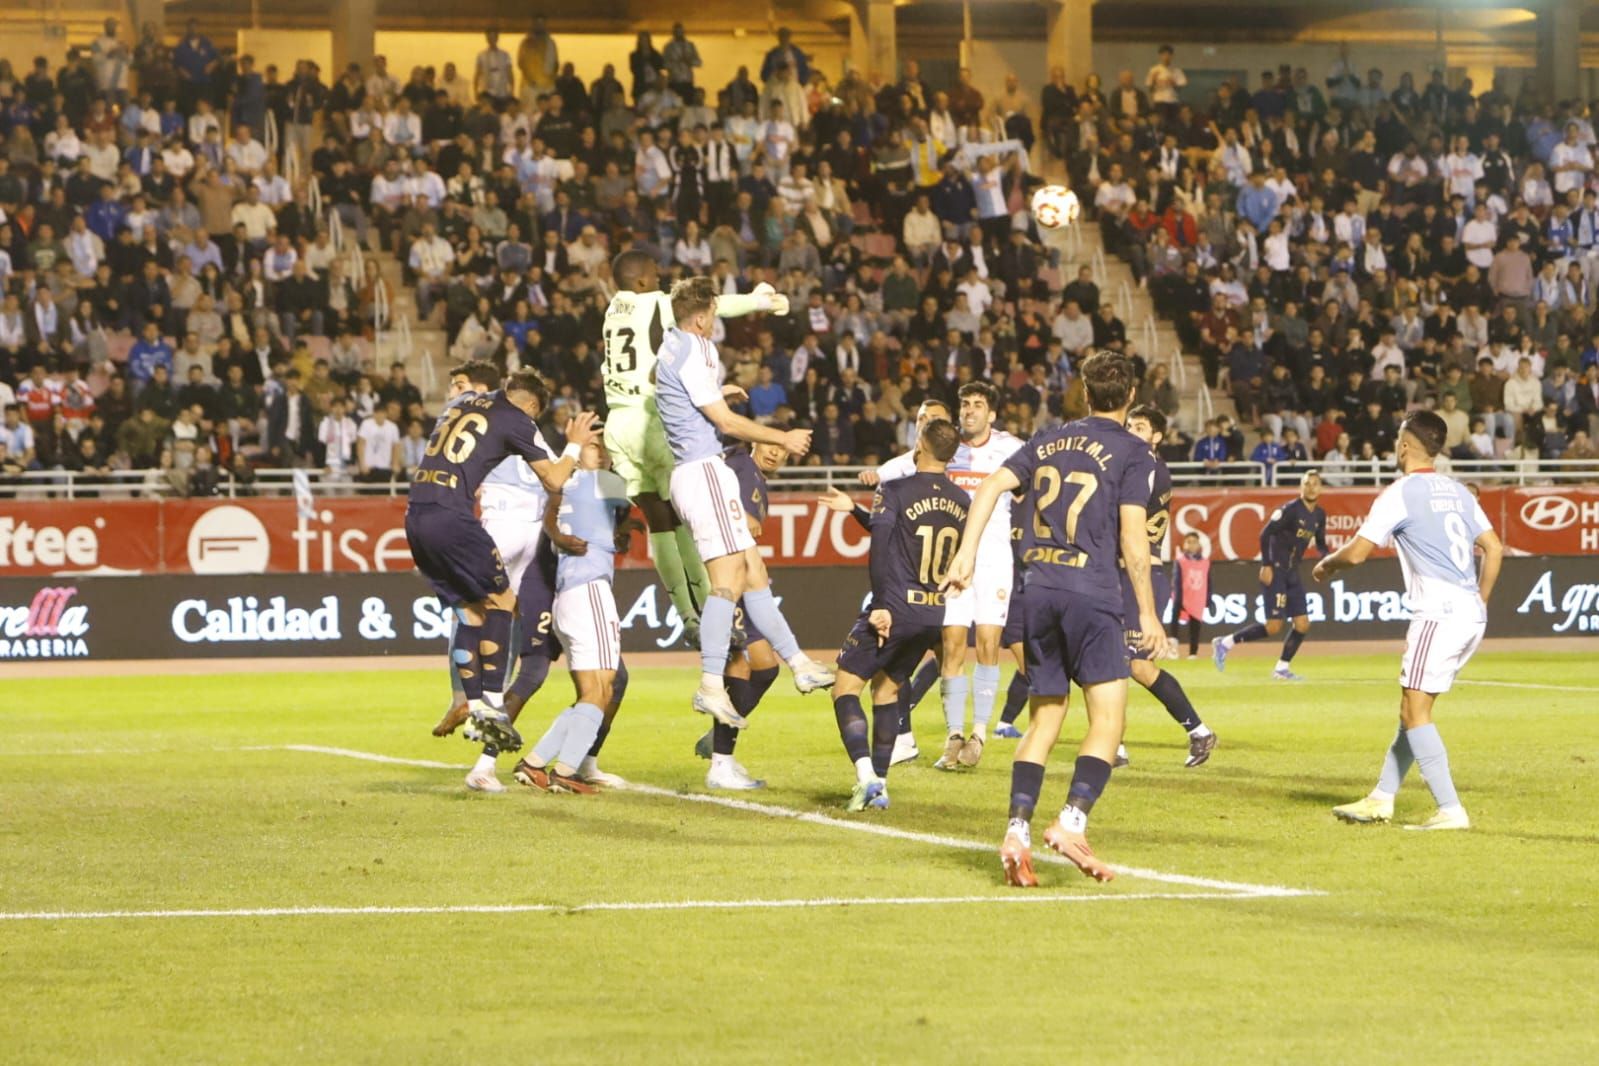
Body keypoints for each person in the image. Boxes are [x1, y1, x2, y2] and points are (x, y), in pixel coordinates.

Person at [945, 350, 1162, 886]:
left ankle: (1016, 830)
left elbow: (992, 486)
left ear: (1084, 394)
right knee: (1109, 720)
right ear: (1130, 396)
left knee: (1045, 717)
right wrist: (1150, 613)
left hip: (1037, 589)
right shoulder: (1135, 453)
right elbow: (1134, 541)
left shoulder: (1046, 439)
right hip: (1091, 592)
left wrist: (966, 553)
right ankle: (1071, 822)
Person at [653, 276, 834, 725]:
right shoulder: (693, 350)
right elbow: (727, 425)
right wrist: (783, 436)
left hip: (698, 470)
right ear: (700, 317)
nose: (716, 320)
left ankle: (799, 663)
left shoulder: (672, 345)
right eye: (713, 313)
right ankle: (711, 684)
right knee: (728, 580)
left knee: (755, 572)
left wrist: (719, 393)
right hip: (702, 471)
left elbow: (683, 398)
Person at [1315, 411, 1503, 831]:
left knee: (1414, 710)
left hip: (1438, 613)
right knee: (1413, 710)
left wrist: (1326, 565)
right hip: (1469, 614)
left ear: (1404, 445)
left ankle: (1450, 809)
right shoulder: (1458, 491)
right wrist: (1480, 601)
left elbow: (1358, 553)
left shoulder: (1400, 493)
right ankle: (1382, 797)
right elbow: (1494, 547)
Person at [403, 367, 597, 752]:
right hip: (461, 516)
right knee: (504, 604)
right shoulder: (515, 417)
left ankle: (472, 702)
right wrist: (573, 444)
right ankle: (491, 704)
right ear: (530, 404)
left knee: (469, 612)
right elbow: (556, 480)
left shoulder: (458, 405)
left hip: (416, 515)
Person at [600, 250, 789, 646]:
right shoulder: (654, 302)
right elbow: (710, 306)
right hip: (652, 420)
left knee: (658, 521)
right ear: (640, 281)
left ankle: (687, 617)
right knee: (685, 517)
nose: (659, 278)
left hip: (617, 423)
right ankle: (711, 613)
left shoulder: (613, 310)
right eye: (654, 273)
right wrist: (761, 300)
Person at [829, 417, 967, 811]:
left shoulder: (896, 488)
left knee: (845, 688)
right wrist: (853, 509)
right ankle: (881, 785)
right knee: (887, 692)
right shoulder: (962, 501)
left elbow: (881, 545)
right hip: (932, 613)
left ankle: (866, 776)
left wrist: (881, 606)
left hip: (896, 605)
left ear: (919, 445)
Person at [512, 435, 635, 795]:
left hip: (566, 596)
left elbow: (554, 518)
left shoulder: (564, 489)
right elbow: (634, 493)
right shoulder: (601, 481)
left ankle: (534, 763)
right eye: (596, 445)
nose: (602, 449)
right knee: (602, 689)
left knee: (590, 692)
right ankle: (566, 772)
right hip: (590, 590)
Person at [1121, 405, 1218, 767]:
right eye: (1129, 424)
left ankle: (1198, 731)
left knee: (1132, 666)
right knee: (1119, 664)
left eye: (1141, 427)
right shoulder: (1142, 466)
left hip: (1139, 576)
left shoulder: (1145, 468)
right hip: (1124, 575)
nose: (1131, 430)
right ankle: (1117, 746)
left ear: (1157, 437)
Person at [694, 441, 793, 790]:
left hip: (741, 576)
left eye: (781, 450)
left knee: (767, 668)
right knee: (739, 663)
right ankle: (721, 764)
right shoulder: (738, 463)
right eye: (769, 444)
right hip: (725, 575)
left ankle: (720, 740)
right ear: (754, 441)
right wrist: (741, 518)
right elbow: (716, 494)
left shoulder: (756, 477)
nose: (774, 453)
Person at [1212, 469, 1328, 680]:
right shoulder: (1291, 510)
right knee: (1274, 626)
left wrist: (1329, 558)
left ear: (1321, 488)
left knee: (1302, 624)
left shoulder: (1319, 515)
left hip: (1293, 572)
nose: (1311, 487)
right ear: (1301, 487)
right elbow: (1265, 533)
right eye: (1307, 483)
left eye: (1315, 483)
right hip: (1276, 570)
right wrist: (1267, 564)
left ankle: (1281, 669)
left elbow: (1320, 543)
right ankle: (1225, 643)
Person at [1175, 531, 1210, 659]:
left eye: (1194, 542)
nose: (1191, 545)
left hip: (1197, 599)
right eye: (1188, 542)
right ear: (1184, 544)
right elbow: (1176, 580)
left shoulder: (1205, 562)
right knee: (1174, 623)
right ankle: (1173, 649)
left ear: (1199, 544)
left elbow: (1208, 581)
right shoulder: (1180, 561)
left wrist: (1208, 598)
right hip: (1181, 597)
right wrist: (1177, 598)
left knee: (1195, 627)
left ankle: (1193, 653)